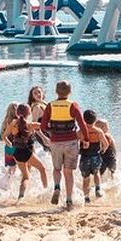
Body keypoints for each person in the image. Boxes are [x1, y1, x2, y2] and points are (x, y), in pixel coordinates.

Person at [40, 80, 90, 210]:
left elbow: (43, 127)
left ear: (56, 92)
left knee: (57, 169)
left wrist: (52, 132)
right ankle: (68, 200)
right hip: (71, 142)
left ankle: (57, 187)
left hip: (56, 142)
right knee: (68, 172)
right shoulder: (73, 105)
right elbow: (82, 124)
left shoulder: (50, 106)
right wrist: (86, 138)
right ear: (70, 92)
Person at [6, 103, 49, 200]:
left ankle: (20, 197)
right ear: (29, 113)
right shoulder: (30, 125)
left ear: (17, 113)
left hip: (16, 152)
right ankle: (46, 191)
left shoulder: (13, 124)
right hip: (26, 152)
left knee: (25, 176)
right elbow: (45, 126)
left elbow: (4, 136)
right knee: (42, 169)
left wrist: (8, 143)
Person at [79, 109, 109, 204]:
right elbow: (106, 144)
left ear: (83, 120)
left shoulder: (81, 132)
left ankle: (86, 198)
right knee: (96, 173)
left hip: (84, 157)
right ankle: (97, 189)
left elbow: (74, 143)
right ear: (95, 120)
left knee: (86, 178)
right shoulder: (98, 131)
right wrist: (103, 150)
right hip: (96, 156)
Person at [0, 102, 19, 177]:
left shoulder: (5, 123)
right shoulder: (18, 122)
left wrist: (6, 140)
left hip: (8, 149)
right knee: (21, 167)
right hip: (17, 148)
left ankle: (6, 184)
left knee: (11, 169)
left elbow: (0, 137)